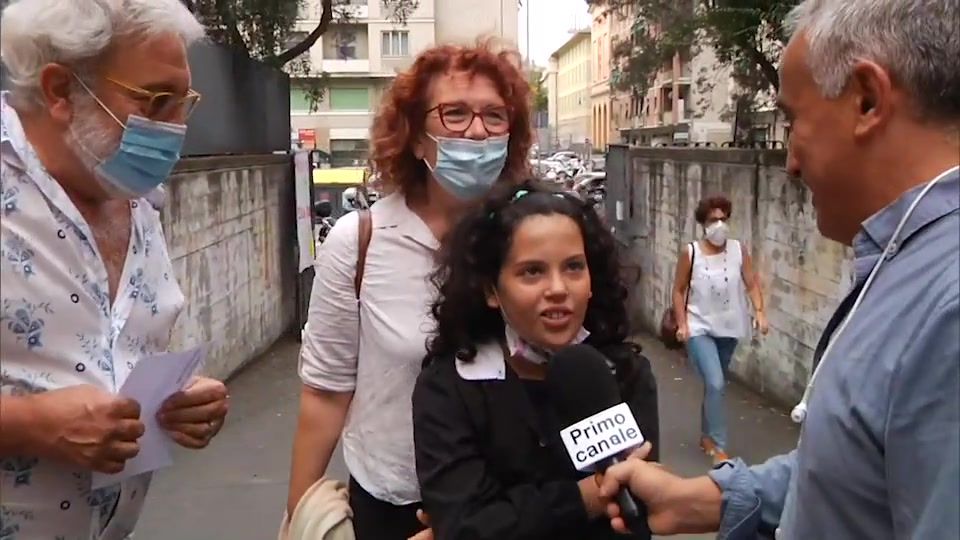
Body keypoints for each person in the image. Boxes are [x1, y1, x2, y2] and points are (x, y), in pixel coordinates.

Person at [596, 0, 960, 539]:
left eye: (794, 120)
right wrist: (709, 498)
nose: (789, 160)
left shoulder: (948, 308)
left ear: (866, 100)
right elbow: (856, 472)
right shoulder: (904, 259)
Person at [287, 39, 533, 540]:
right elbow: (325, 393)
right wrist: (297, 517)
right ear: (416, 138)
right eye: (455, 114)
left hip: (511, 507)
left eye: (494, 115)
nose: (477, 130)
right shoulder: (359, 243)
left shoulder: (532, 239)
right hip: (390, 504)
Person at [0, 0, 230, 538]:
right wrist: (27, 426)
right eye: (156, 102)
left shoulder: (138, 200)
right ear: (60, 90)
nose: (175, 129)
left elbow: (114, 356)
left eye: (183, 104)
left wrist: (181, 401)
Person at [412, 180, 660, 540]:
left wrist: (508, 517)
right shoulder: (447, 389)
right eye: (532, 271)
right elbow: (466, 528)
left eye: (574, 267)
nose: (558, 289)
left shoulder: (625, 373)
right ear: (490, 290)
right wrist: (586, 497)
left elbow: (634, 515)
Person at [671, 195, 767, 464]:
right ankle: (720, 447)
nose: (720, 225)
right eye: (714, 220)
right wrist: (682, 324)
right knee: (715, 382)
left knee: (716, 386)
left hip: (729, 326)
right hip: (699, 326)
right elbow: (678, 291)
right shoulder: (691, 253)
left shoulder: (739, 250)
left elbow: (751, 282)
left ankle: (705, 435)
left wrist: (760, 311)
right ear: (703, 223)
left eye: (724, 219)